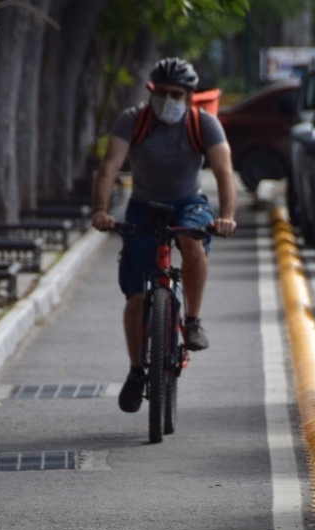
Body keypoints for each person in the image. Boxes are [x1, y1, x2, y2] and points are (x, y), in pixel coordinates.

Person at [91, 56, 237, 414]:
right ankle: (136, 370)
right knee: (136, 298)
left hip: (189, 203)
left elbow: (224, 171)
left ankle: (192, 321)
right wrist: (101, 210)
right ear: (151, 91)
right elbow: (110, 166)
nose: (167, 100)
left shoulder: (203, 124)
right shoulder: (133, 120)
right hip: (144, 206)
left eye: (176, 94)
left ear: (189, 96)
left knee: (191, 241)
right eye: (161, 93)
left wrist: (227, 217)